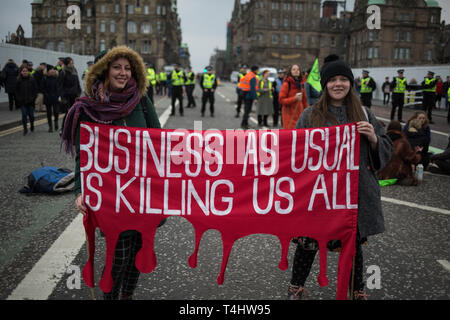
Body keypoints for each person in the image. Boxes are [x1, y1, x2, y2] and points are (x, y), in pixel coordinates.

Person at [289, 55, 393, 300]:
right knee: (308, 243)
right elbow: (294, 153)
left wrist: (374, 138)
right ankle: (296, 287)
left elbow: (386, 150)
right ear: (325, 84)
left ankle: (357, 290)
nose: (338, 84)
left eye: (343, 79)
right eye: (332, 79)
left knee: (352, 245)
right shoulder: (309, 115)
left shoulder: (365, 114)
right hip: (319, 193)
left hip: (354, 193)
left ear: (350, 83)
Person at [61, 46, 162, 300]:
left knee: (137, 252)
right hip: (111, 195)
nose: (123, 73)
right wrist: (80, 190)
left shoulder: (141, 100)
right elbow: (83, 156)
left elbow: (160, 142)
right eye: (117, 67)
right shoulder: (87, 107)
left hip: (142, 192)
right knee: (119, 255)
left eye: (128, 68)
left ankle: (127, 296)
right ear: (104, 70)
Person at [378, 120, 422, 186]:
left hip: (381, 173)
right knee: (412, 179)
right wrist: (418, 154)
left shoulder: (383, 138)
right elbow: (411, 158)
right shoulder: (402, 142)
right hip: (397, 172)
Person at [278, 64, 308, 129]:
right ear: (290, 71)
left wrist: (307, 112)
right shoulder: (287, 83)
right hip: (289, 115)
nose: (296, 71)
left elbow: (304, 100)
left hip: (300, 114)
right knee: (291, 136)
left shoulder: (302, 84)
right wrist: (294, 98)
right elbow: (281, 100)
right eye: (293, 69)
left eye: (298, 69)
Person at [58, 57, 82, 133]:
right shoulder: (63, 72)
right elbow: (60, 86)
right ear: (66, 64)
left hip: (74, 95)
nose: (72, 64)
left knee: (75, 113)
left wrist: (79, 91)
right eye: (70, 63)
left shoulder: (74, 71)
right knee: (68, 113)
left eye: (72, 63)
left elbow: (77, 82)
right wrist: (62, 97)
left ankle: (73, 129)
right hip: (67, 96)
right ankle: (63, 129)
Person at [15, 65, 38, 135]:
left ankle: (32, 125)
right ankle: (25, 128)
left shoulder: (32, 79)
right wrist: (19, 99)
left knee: (31, 115)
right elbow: (16, 91)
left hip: (30, 102)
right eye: (23, 71)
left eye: (26, 71)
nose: (25, 72)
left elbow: (35, 90)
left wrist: (33, 98)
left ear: (28, 72)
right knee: (24, 115)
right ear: (21, 72)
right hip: (22, 102)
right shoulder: (18, 80)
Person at [42, 66, 60, 132]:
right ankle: (50, 127)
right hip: (47, 98)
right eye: (50, 69)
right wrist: (47, 94)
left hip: (55, 97)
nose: (52, 70)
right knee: (49, 113)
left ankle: (56, 122)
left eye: (53, 69)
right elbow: (43, 88)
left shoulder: (57, 78)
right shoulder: (45, 79)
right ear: (48, 71)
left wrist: (58, 95)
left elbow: (59, 88)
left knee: (56, 112)